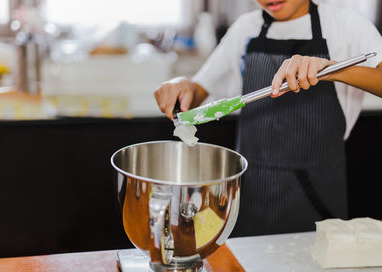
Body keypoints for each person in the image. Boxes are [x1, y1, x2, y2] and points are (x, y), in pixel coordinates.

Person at [154, 0, 382, 237]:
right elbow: (198, 91)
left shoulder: (346, 25)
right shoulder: (246, 27)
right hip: (249, 199)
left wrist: (332, 70)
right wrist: (179, 83)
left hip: (318, 203)